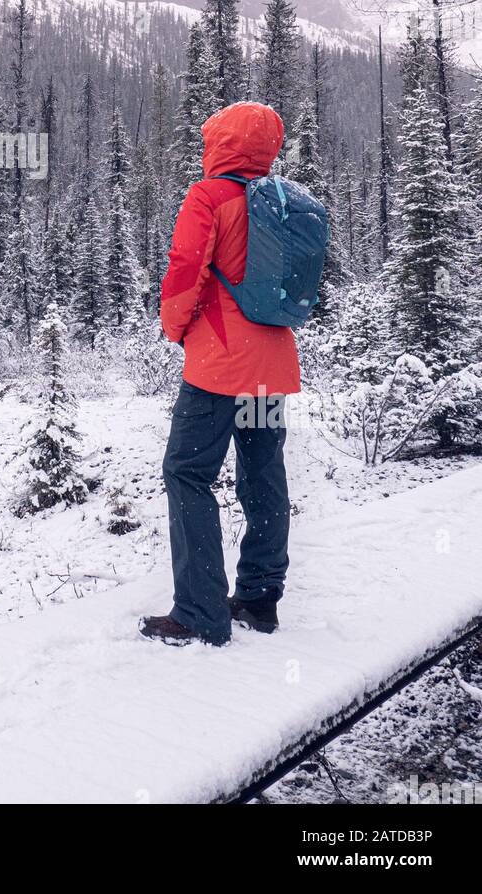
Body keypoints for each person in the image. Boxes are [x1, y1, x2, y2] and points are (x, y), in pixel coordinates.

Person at [141, 101, 299, 647]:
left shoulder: (209, 196)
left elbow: (186, 269)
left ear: (220, 143)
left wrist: (174, 327)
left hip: (219, 367)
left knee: (187, 472)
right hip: (272, 367)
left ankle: (200, 612)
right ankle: (259, 600)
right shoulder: (281, 201)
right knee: (263, 473)